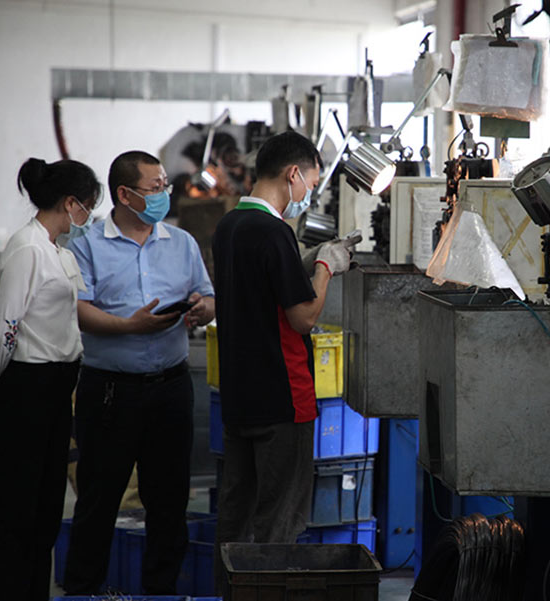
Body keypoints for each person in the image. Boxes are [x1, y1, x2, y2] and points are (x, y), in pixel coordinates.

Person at [62, 150, 215, 595]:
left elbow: (207, 297)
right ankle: (83, 591)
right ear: (125, 195)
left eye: (166, 185)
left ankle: (160, 590)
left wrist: (201, 309)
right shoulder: (87, 245)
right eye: (155, 187)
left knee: (168, 502)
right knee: (99, 499)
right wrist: (131, 326)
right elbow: (78, 310)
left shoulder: (181, 243)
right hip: (110, 392)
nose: (164, 194)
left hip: (170, 388)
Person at [211, 131, 353, 590]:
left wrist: (302, 260)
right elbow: (303, 318)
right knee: (278, 524)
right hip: (282, 398)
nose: (309, 193)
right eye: (310, 182)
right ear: (293, 174)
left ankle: (229, 594)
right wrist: (326, 266)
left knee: (235, 520)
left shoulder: (230, 226)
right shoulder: (274, 233)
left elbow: (261, 286)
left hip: (240, 396)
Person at [0, 157, 101, 601]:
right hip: (29, 386)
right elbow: (3, 328)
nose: (89, 216)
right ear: (71, 203)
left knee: (44, 507)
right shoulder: (28, 248)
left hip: (56, 385)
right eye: (88, 206)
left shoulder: (56, 249)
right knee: (15, 505)